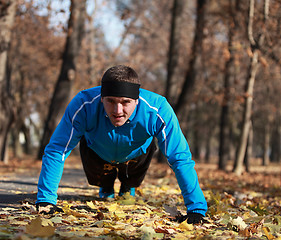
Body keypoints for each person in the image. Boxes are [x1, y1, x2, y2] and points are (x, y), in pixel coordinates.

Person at [36, 65, 207, 224]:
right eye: (110, 101)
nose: (118, 111)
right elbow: (57, 149)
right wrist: (46, 200)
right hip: (97, 151)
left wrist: (196, 209)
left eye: (125, 102)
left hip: (136, 155)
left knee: (128, 189)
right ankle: (106, 185)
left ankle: (128, 185)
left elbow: (179, 157)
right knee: (105, 193)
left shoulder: (158, 110)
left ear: (137, 100)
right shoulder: (83, 104)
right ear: (102, 98)